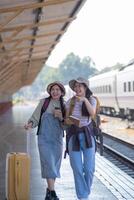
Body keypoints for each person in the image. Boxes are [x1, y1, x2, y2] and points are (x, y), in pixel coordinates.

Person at [24, 81, 66, 200]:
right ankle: (52, 193)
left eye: (58, 89)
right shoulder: (44, 102)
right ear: (50, 91)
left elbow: (66, 126)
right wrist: (30, 124)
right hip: (44, 138)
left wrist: (61, 117)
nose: (55, 91)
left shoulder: (65, 105)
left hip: (57, 139)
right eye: (53, 89)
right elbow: (35, 117)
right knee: (48, 164)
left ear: (62, 92)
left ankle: (49, 191)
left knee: (54, 165)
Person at [65, 77, 97, 200]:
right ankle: (83, 197)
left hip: (88, 136)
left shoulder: (91, 100)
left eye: (80, 86)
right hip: (73, 136)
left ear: (85, 88)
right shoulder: (70, 102)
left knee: (89, 169)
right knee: (77, 168)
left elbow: (92, 113)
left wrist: (84, 100)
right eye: (76, 86)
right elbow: (66, 120)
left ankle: (85, 193)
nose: (77, 88)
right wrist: (68, 119)